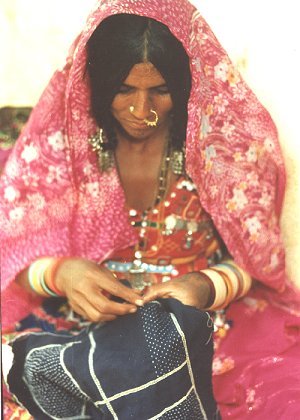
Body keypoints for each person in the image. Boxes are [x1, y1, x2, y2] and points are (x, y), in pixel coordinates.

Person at [1, 0, 299, 418]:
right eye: (124, 90)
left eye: (160, 91)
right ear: (100, 84)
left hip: (204, 329)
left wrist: (205, 287)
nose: (143, 112)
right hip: (78, 324)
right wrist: (61, 273)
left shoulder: (225, 150)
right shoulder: (62, 148)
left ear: (185, 85)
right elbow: (13, 251)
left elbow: (255, 261)